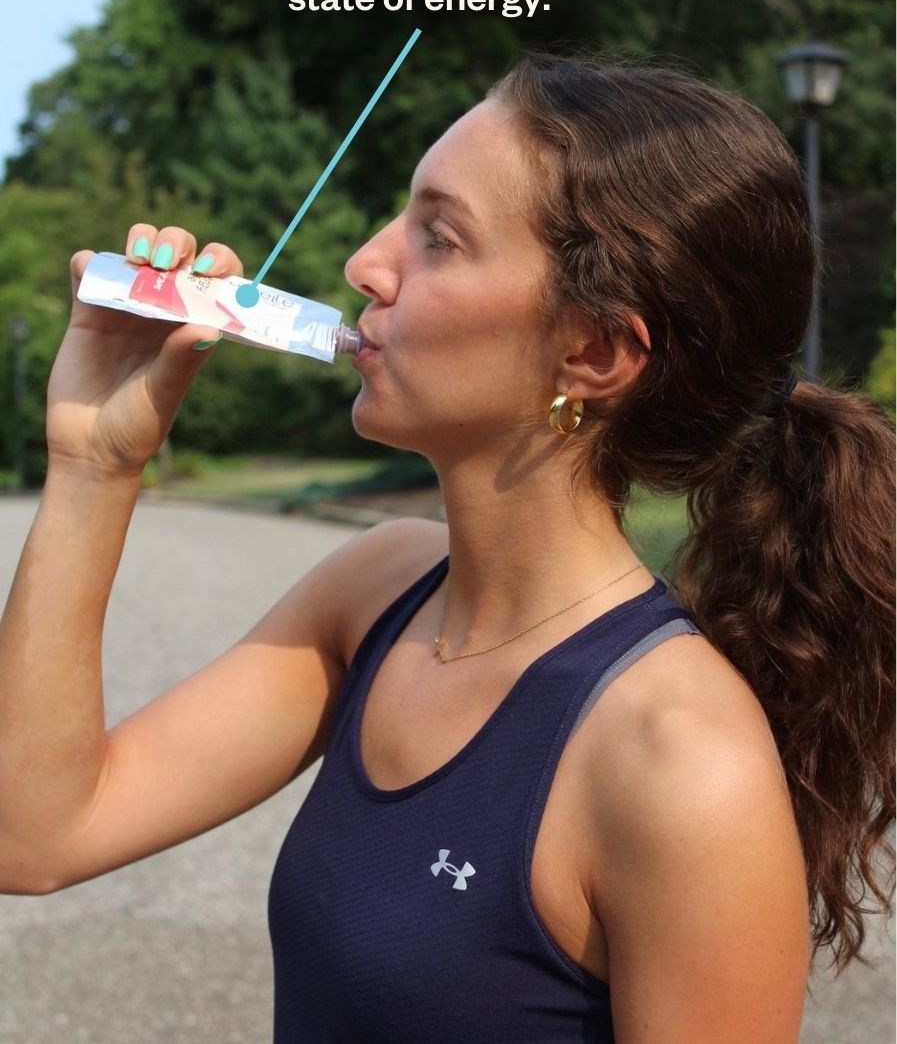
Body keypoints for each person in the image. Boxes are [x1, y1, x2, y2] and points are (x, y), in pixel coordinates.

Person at [0, 55, 893, 1044]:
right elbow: (34, 831)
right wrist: (93, 458)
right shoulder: (373, 592)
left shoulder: (681, 763)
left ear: (593, 351)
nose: (365, 266)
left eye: (440, 236)